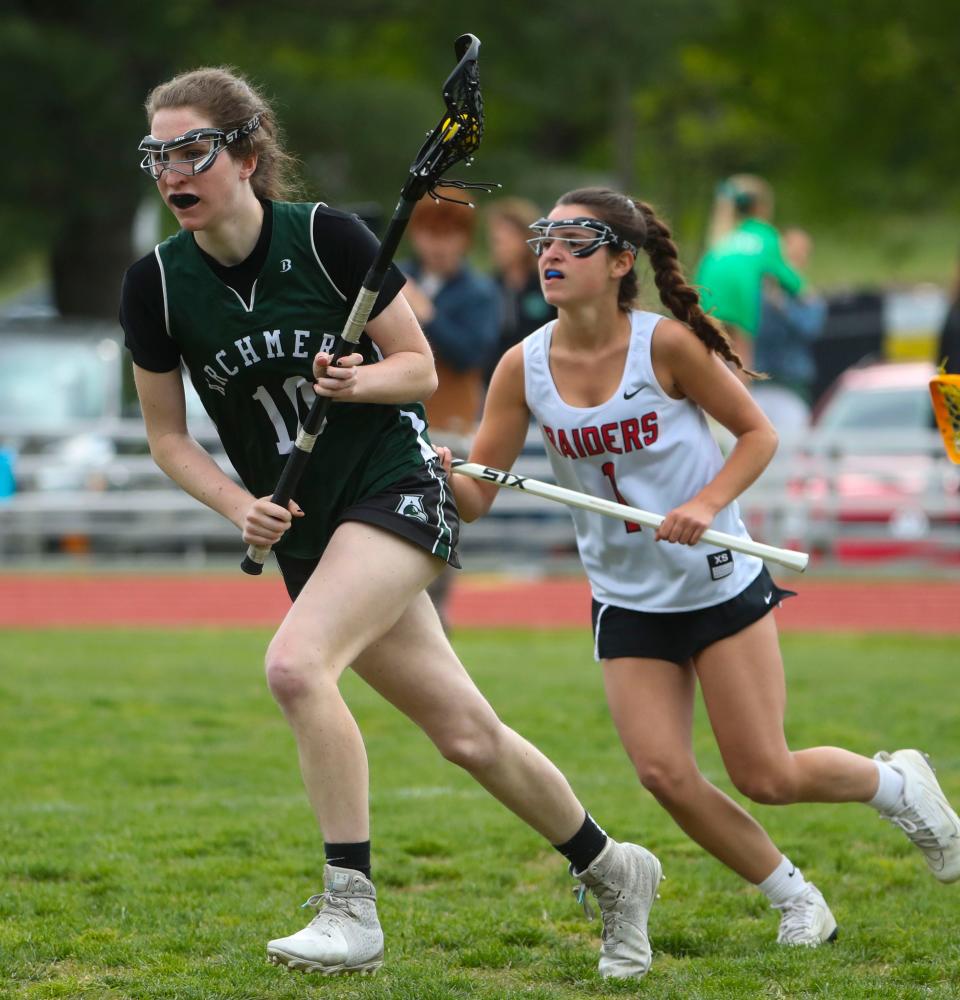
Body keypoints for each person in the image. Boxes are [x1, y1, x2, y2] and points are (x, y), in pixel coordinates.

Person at [120, 69, 662, 980]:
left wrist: (355, 380)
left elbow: (416, 368)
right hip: (304, 526)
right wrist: (235, 504)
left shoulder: (329, 238)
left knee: (295, 666)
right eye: (157, 154)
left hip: (394, 483)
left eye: (191, 150)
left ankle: (351, 909)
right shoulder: (158, 287)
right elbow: (169, 439)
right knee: (466, 734)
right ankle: (614, 868)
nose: (173, 170)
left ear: (247, 156)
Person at [437, 186, 960, 950]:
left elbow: (757, 434)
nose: (548, 251)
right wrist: (439, 469)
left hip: (715, 580)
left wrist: (709, 503)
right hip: (626, 598)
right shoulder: (524, 367)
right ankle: (796, 897)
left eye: (573, 239)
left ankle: (897, 784)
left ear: (621, 261)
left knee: (767, 774)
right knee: (664, 775)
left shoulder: (667, 346)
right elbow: (478, 497)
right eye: (545, 236)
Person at [400, 187, 500, 629]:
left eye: (450, 233)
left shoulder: (480, 292)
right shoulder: (395, 276)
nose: (438, 243)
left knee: (439, 523)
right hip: (397, 419)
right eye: (428, 231)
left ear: (465, 239)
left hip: (451, 424)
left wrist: (426, 313)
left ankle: (435, 614)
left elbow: (471, 353)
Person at [694, 175, 806, 375]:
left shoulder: (722, 233)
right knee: (742, 354)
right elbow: (788, 279)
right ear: (762, 207)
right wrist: (803, 289)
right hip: (738, 294)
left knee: (713, 354)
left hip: (706, 290)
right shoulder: (764, 234)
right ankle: (741, 399)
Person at [752, 227, 827, 439]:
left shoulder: (808, 298)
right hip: (758, 385)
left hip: (791, 387)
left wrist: (783, 306)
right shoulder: (757, 294)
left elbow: (810, 329)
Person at [484, 196, 556, 383]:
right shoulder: (488, 287)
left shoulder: (547, 285)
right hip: (496, 381)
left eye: (507, 236)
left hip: (542, 380)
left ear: (526, 238)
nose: (499, 245)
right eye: (495, 239)